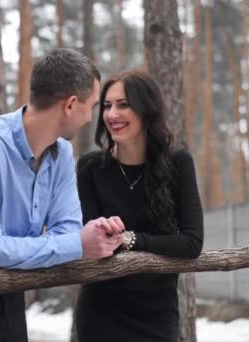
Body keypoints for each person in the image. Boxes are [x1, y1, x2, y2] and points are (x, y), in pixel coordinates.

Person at [0, 48, 125, 342]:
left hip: (9, 279)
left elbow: (65, 231)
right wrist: (75, 244)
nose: (90, 118)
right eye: (91, 106)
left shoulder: (63, 153)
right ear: (69, 105)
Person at [74, 70, 204, 342]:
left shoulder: (178, 163)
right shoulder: (90, 167)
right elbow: (95, 245)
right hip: (100, 312)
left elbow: (191, 243)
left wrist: (131, 239)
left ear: (147, 109)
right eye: (107, 106)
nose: (111, 114)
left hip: (157, 314)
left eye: (123, 104)